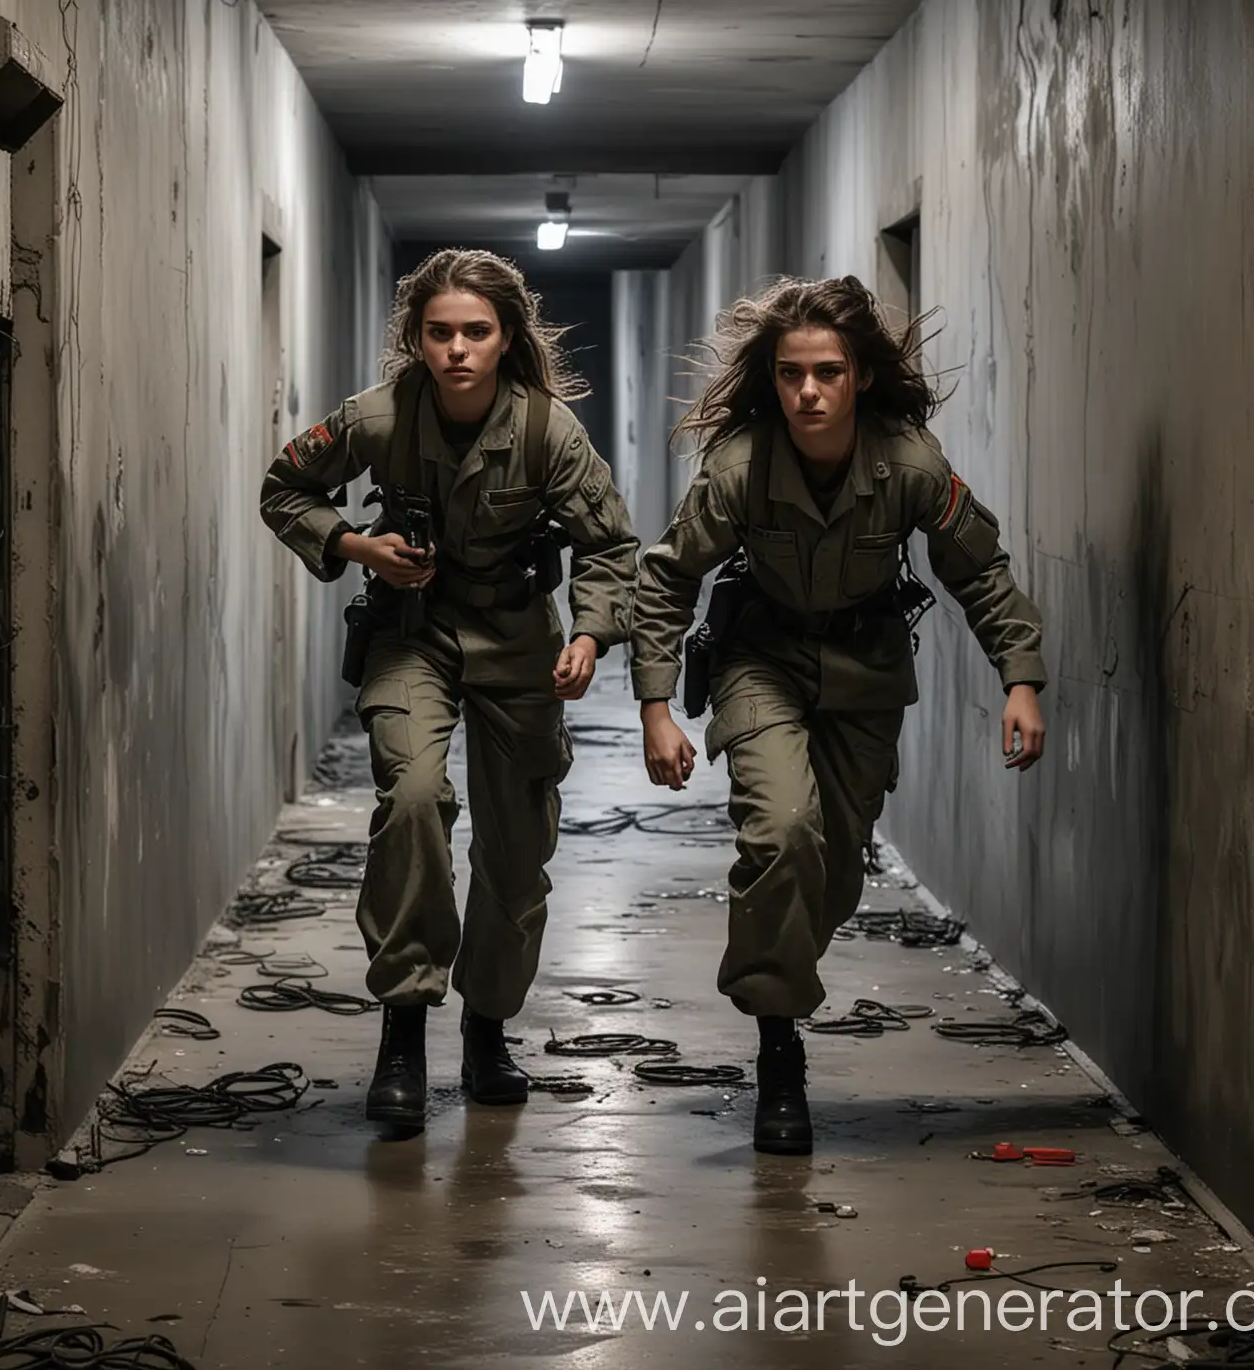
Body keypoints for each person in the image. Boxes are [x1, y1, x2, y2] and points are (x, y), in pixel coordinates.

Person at [631, 275, 1047, 1156]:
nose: (808, 392)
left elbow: (977, 569)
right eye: (790, 375)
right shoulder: (741, 468)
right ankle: (779, 1051)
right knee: (783, 832)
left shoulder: (911, 464)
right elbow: (669, 575)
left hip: (865, 672)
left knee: (835, 870)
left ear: (857, 376)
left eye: (826, 372)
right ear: (773, 381)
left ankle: (779, 976)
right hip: (761, 661)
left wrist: (1020, 677)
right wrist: (655, 704)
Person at [259, 249, 638, 1132]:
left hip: (519, 646)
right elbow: (284, 490)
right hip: (412, 634)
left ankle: (486, 1028)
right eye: (440, 333)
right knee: (415, 797)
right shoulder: (377, 420)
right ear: (416, 340)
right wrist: (359, 547)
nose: (458, 349)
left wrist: (587, 634)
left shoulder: (548, 431)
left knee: (515, 850)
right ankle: (403, 1029)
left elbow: (613, 548)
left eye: (476, 332)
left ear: (506, 339)